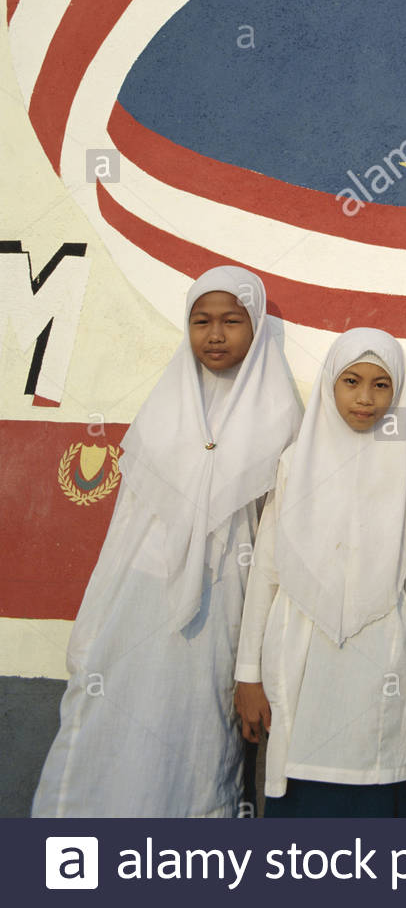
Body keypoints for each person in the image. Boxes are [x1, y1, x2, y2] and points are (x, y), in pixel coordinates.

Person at [33, 266, 301, 817]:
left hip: (221, 610)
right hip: (138, 602)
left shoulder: (281, 419)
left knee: (195, 742)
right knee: (108, 725)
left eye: (232, 321)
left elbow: (274, 545)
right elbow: (124, 532)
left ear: (257, 328)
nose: (216, 335)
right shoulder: (163, 410)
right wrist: (93, 628)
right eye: (201, 321)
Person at [233, 329, 406, 816]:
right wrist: (249, 675)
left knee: (374, 789)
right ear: (329, 385)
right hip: (300, 654)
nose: (365, 398)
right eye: (351, 381)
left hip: (381, 660)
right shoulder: (295, 464)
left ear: (399, 392)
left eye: (382, 385)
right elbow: (266, 573)